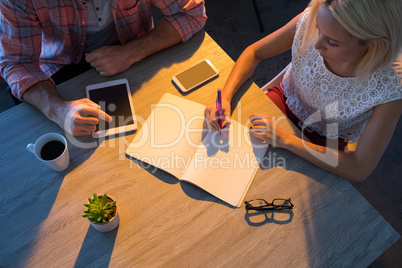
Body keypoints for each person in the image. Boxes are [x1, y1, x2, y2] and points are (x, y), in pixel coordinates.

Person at [204, 0, 401, 182]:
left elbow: (359, 167)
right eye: (318, 28)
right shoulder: (310, 20)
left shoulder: (391, 86)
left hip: (324, 142)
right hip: (284, 100)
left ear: (373, 47)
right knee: (227, 162)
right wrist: (225, 98)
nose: (316, 45)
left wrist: (285, 139)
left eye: (332, 42)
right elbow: (254, 53)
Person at [0, 0, 206, 136]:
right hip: (60, 66)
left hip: (135, 49)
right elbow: (16, 63)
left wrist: (132, 52)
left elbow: (192, 14)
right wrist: (57, 109)